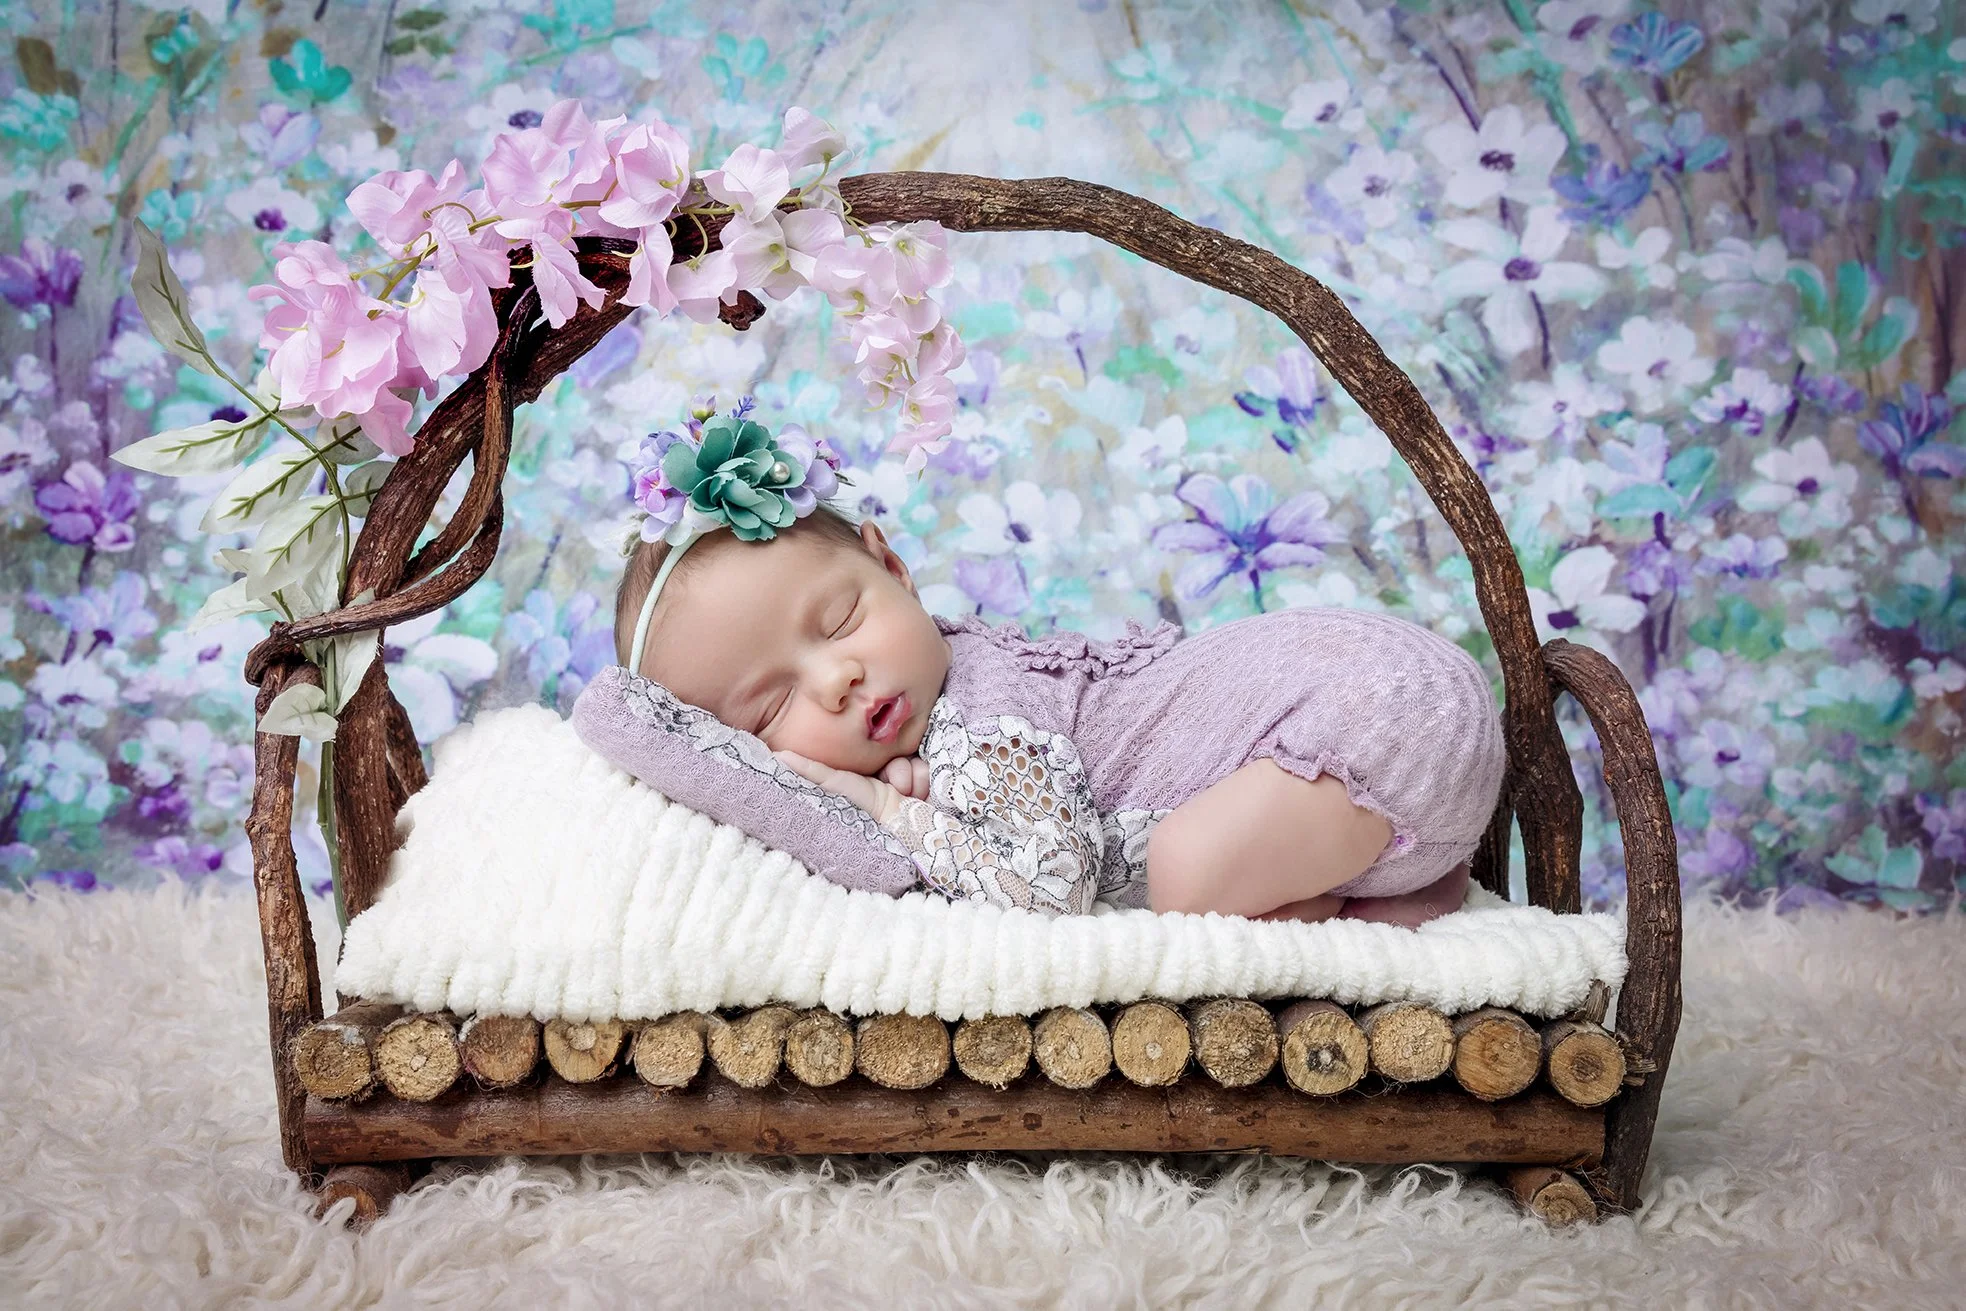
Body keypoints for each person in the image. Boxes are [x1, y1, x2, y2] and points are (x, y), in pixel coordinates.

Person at [613, 405, 1502, 928]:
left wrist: (887, 808)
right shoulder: (946, 708)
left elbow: (1054, 884)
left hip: (1378, 712)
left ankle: (1353, 897)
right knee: (1210, 863)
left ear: (892, 567)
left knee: (1189, 870)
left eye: (841, 618)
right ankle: (1388, 886)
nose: (836, 678)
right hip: (1401, 723)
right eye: (771, 709)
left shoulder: (982, 713)